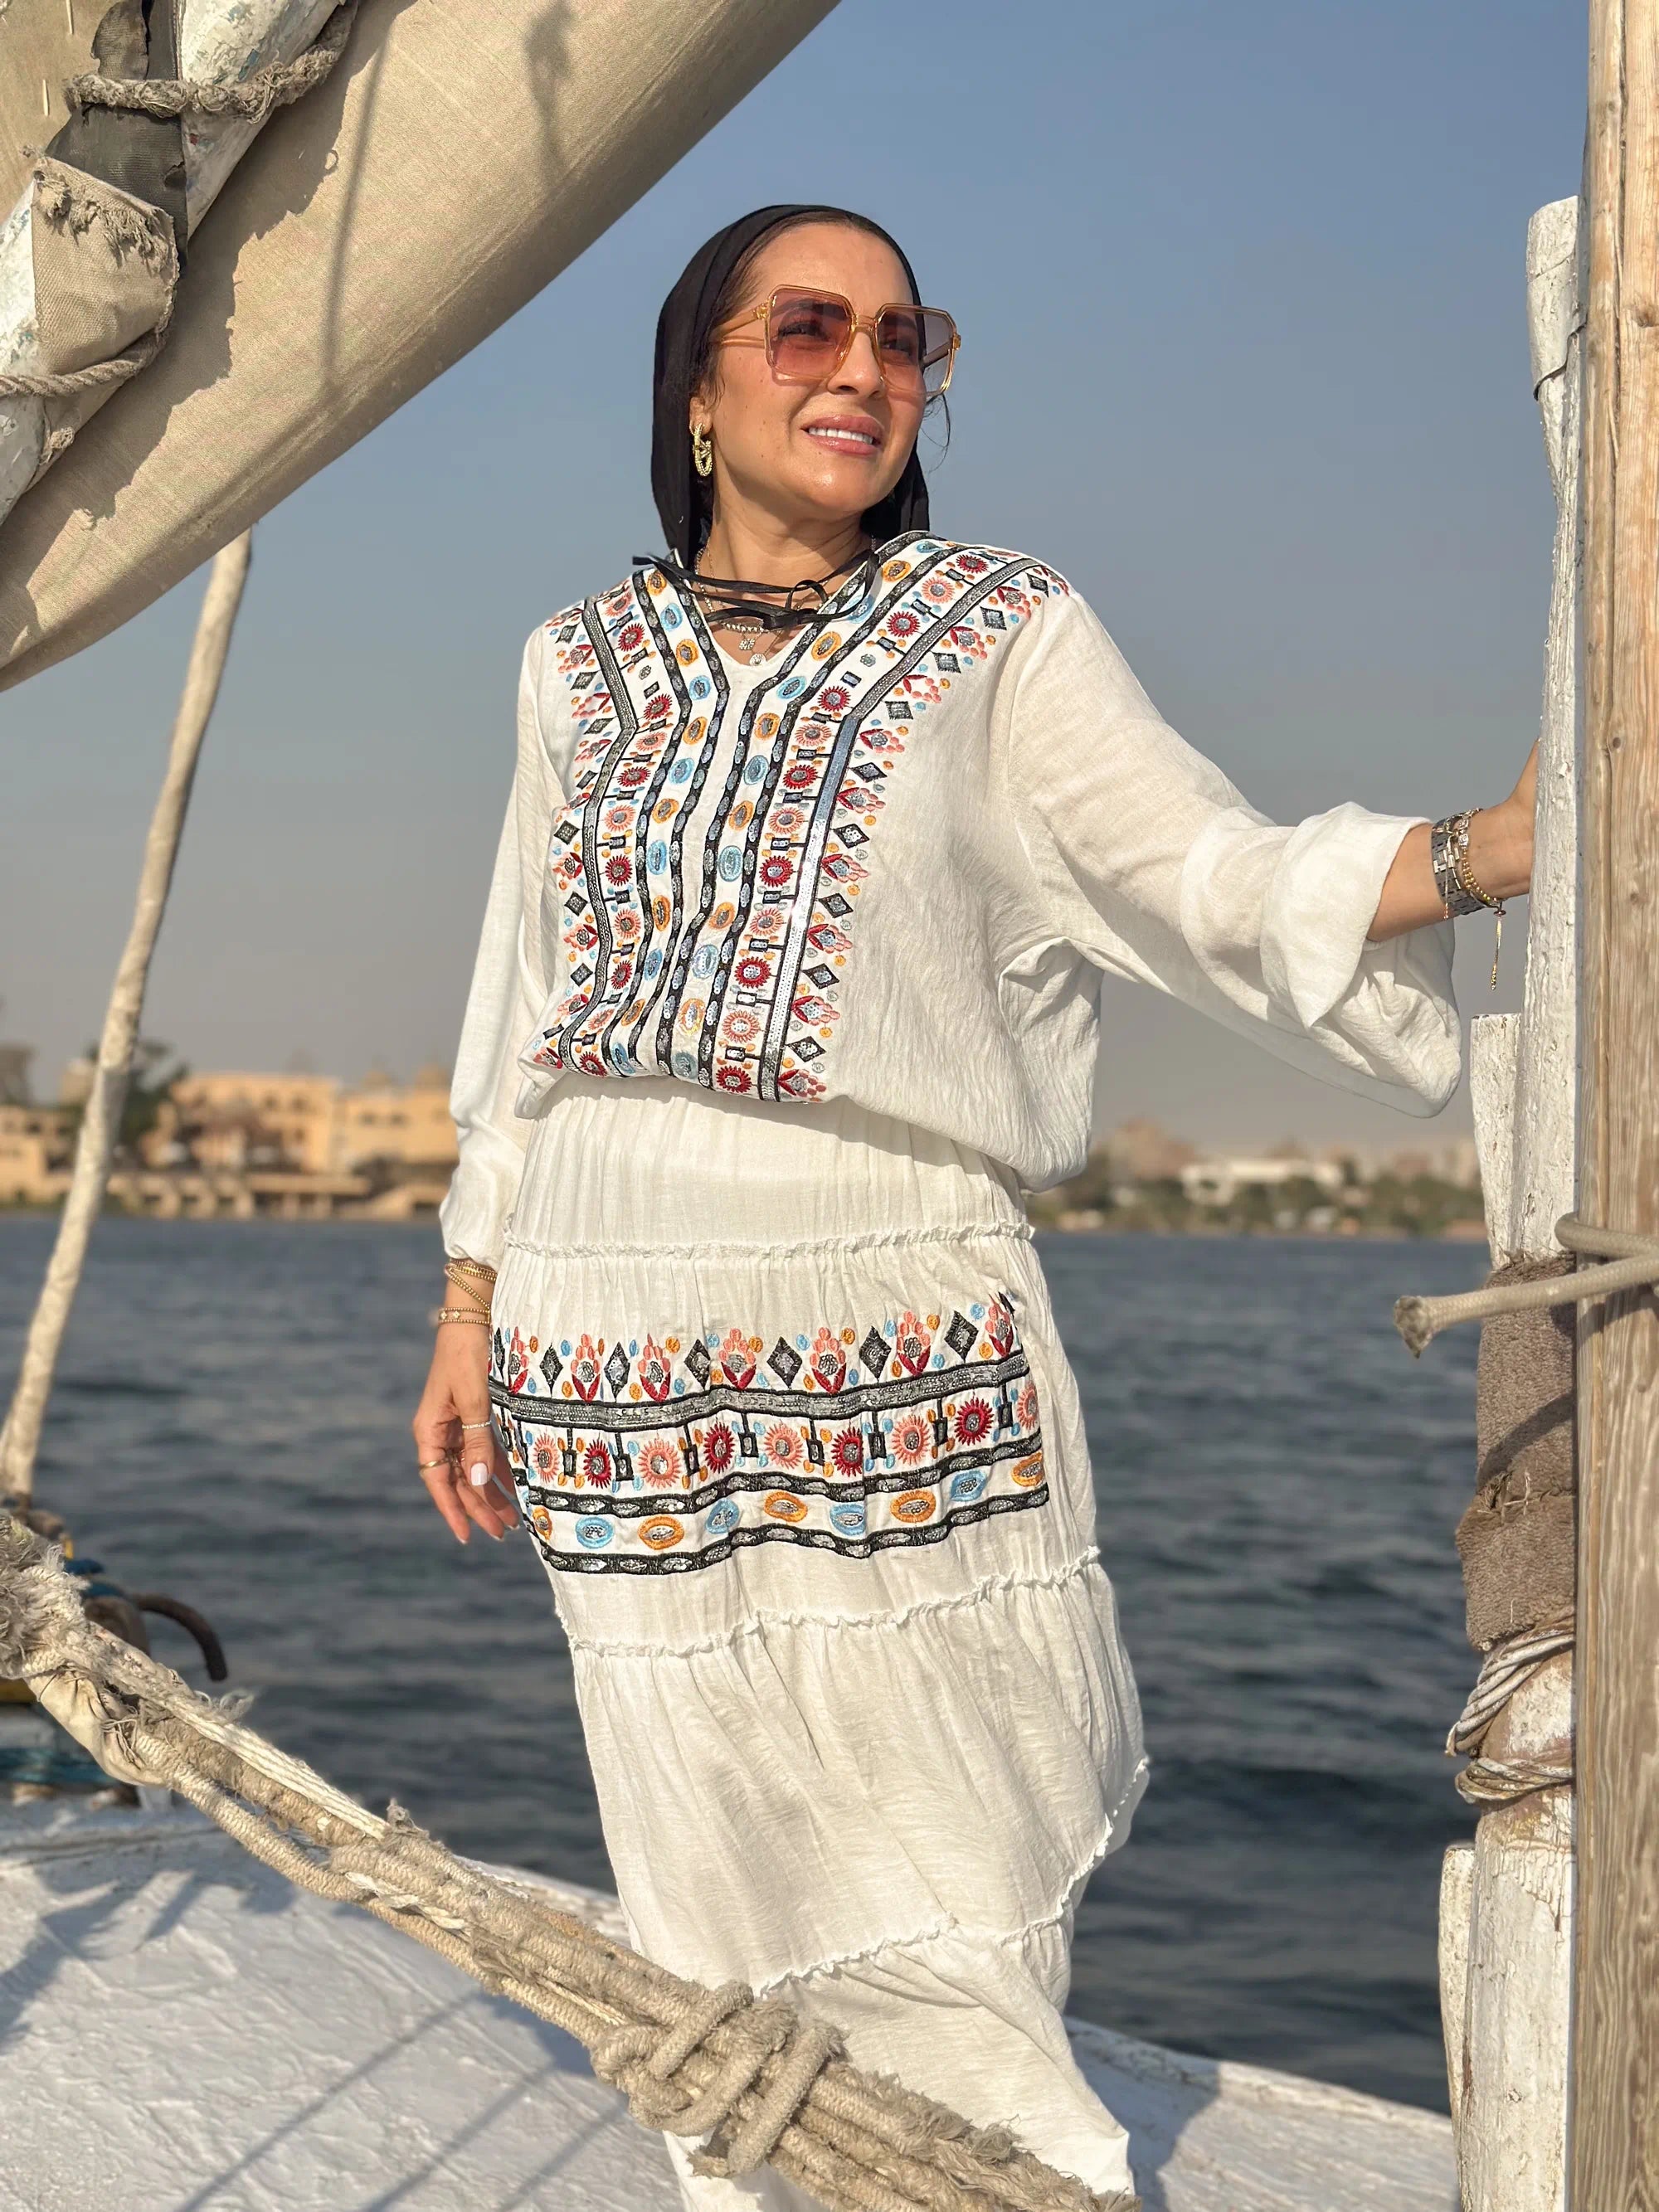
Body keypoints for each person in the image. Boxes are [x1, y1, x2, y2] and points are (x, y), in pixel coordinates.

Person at [414, 202, 1535, 2209]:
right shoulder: (570, 661)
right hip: (602, 1299)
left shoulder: (995, 624)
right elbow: (526, 1000)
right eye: (806, 329)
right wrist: (467, 1294)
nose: (862, 370)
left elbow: (1196, 871)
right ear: (694, 383)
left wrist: (1486, 847)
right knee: (707, 1835)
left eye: (905, 337)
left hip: (887, 1291)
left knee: (953, 1819)